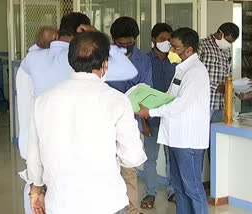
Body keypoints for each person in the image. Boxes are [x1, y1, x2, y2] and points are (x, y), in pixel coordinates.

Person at [17, 12, 138, 214]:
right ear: (105, 64)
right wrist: (101, 40)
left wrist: (35, 189)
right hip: (105, 201)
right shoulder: (116, 99)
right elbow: (129, 70)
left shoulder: (37, 70)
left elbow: (34, 155)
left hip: (59, 199)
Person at [137, 27, 210, 214]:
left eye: (175, 47)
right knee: (178, 187)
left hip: (188, 140)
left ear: (189, 50)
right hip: (175, 137)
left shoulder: (196, 72)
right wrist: (149, 103)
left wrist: (151, 112)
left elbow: (180, 105)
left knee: (193, 189)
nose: (171, 51)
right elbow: (170, 98)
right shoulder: (181, 69)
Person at [107, 16, 153, 214]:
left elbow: (146, 89)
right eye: (120, 44)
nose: (126, 47)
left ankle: (131, 210)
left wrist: (143, 121)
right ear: (112, 40)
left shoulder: (143, 59)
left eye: (130, 43)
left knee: (129, 169)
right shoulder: (103, 57)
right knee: (107, 168)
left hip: (130, 122)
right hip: (105, 123)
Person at [140, 23, 175, 210]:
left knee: (172, 157)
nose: (166, 43)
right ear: (153, 40)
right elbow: (140, 92)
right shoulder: (145, 61)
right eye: (162, 39)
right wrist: (143, 121)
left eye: (169, 39)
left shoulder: (175, 61)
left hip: (170, 118)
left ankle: (172, 191)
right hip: (151, 118)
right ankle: (150, 193)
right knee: (151, 158)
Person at [198, 22, 239, 162]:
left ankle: (215, 181)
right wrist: (216, 87)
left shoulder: (226, 50)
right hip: (204, 103)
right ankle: (198, 181)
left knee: (217, 145)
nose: (230, 44)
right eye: (229, 41)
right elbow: (195, 75)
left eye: (232, 42)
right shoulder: (201, 45)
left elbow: (228, 74)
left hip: (221, 104)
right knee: (200, 144)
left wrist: (233, 88)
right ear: (220, 34)